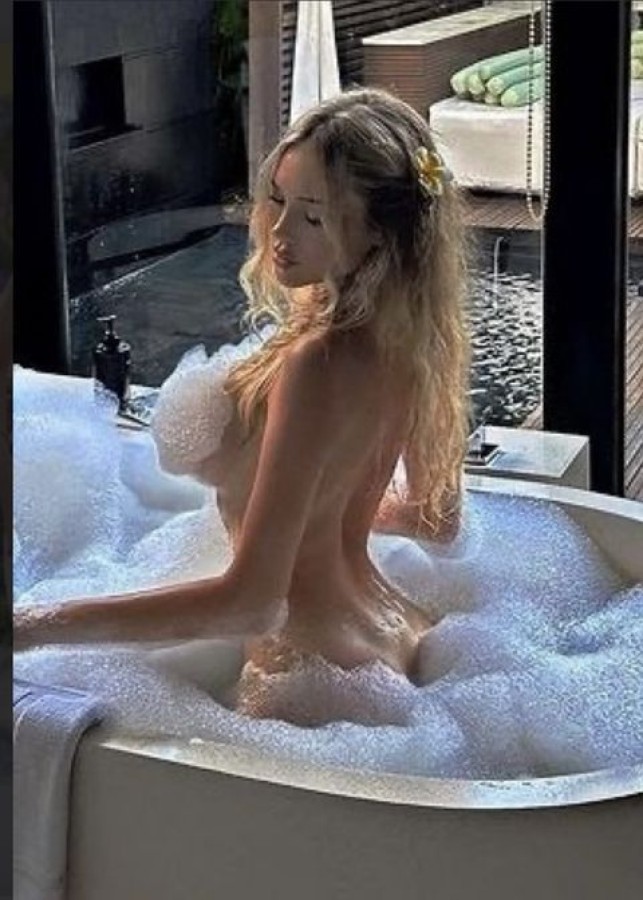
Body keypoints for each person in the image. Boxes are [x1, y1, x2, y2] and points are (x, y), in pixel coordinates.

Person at [14, 88, 470, 724]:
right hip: (394, 630)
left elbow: (251, 605)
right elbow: (436, 520)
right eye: (279, 200)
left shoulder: (316, 363)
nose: (280, 233)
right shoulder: (413, 338)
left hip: (309, 667)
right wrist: (316, 514)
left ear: (377, 231)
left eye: (314, 218)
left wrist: (30, 625)